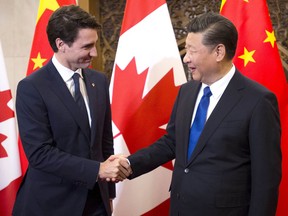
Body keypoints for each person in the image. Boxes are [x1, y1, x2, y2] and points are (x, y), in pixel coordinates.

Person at [122, 12, 282, 216]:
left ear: (219, 52)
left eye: (192, 51)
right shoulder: (187, 91)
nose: (186, 58)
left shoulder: (258, 100)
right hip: (181, 208)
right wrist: (129, 164)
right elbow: (173, 142)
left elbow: (266, 178)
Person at [13, 5, 131, 216]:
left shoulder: (99, 81)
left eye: (95, 44)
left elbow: (104, 143)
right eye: (87, 46)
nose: (94, 53)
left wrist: (109, 194)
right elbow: (39, 153)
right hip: (52, 204)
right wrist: (97, 170)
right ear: (61, 44)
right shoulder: (32, 87)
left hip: (96, 203)